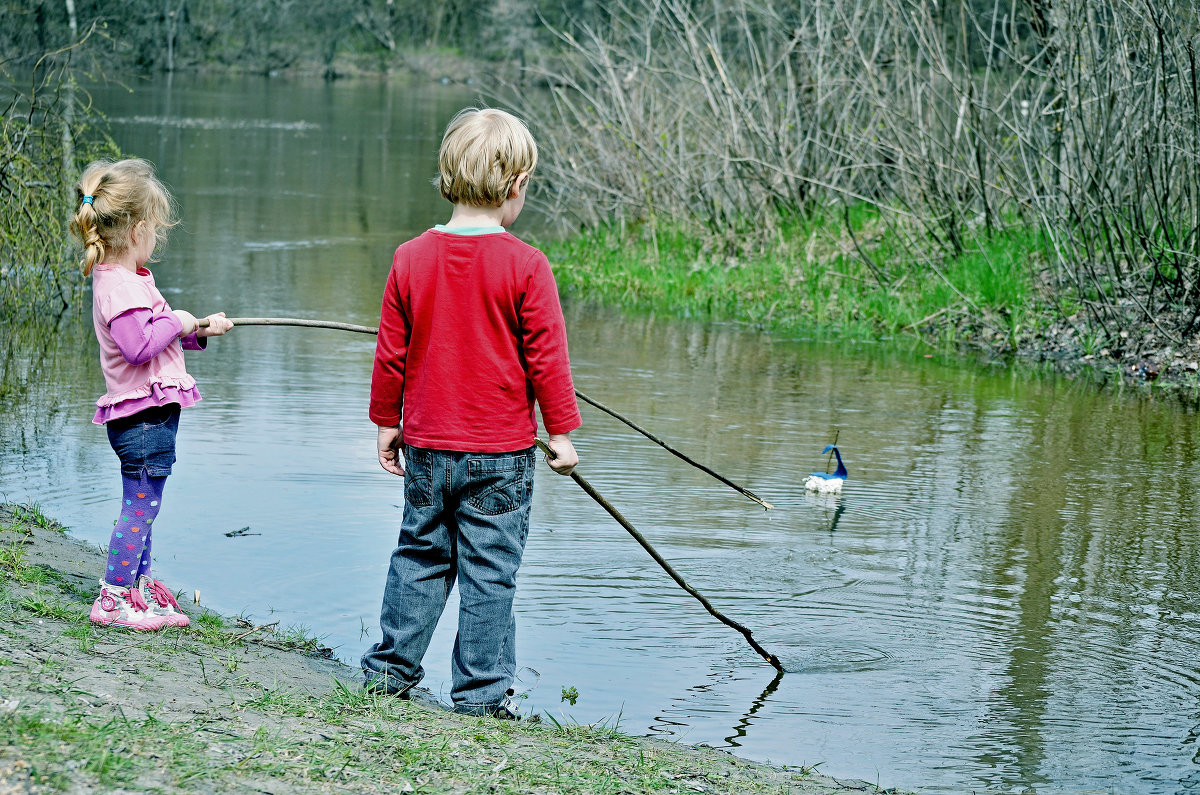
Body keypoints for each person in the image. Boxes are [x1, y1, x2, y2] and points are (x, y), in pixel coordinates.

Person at [361, 107, 581, 719]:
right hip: (501, 455)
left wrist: (386, 422)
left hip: (427, 447)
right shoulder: (527, 264)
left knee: (420, 555)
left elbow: (391, 353)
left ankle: (389, 674)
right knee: (491, 571)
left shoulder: (410, 257)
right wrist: (560, 433)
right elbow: (547, 359)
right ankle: (481, 698)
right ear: (515, 187)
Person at [69, 158, 234, 631]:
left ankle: (136, 590)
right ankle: (114, 596)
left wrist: (198, 329)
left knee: (145, 504)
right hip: (141, 420)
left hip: (152, 415)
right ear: (137, 228)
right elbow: (139, 345)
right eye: (155, 231)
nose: (156, 239)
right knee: (140, 505)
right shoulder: (116, 285)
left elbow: (156, 336)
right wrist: (178, 319)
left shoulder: (132, 280)